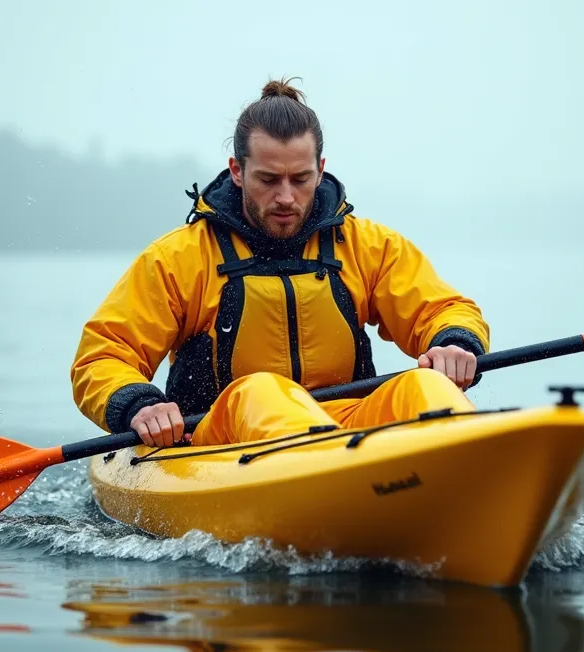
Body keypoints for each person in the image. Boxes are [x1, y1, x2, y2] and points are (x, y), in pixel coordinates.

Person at [70, 77, 490, 448]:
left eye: (301, 179)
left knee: (423, 385)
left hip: (345, 429)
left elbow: (441, 308)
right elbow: (104, 355)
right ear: (237, 170)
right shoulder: (179, 258)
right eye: (269, 180)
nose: (286, 197)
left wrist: (454, 342)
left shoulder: (369, 246)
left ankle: (464, 462)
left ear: (320, 170)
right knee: (261, 391)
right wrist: (139, 405)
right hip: (220, 440)